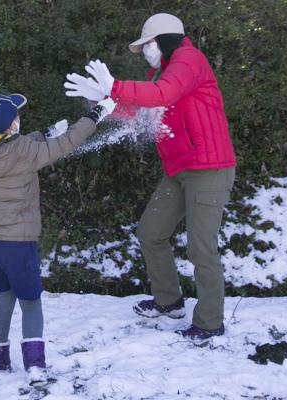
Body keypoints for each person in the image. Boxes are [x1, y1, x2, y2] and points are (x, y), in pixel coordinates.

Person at [64, 13, 236, 340]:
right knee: (150, 233)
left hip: (209, 168)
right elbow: (139, 114)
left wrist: (115, 85)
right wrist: (102, 97)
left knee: (201, 248)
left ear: (165, 38)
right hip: (179, 170)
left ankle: (210, 323)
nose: (145, 51)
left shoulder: (189, 60)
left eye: (148, 44)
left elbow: (162, 94)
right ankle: (169, 302)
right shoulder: (165, 71)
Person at [0, 93, 115, 381]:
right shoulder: (25, 151)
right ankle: (35, 366)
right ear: (11, 125)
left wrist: (44, 132)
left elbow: (14, 145)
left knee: (4, 298)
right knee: (31, 302)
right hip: (16, 244)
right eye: (17, 117)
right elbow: (66, 143)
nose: (20, 120)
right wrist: (94, 116)